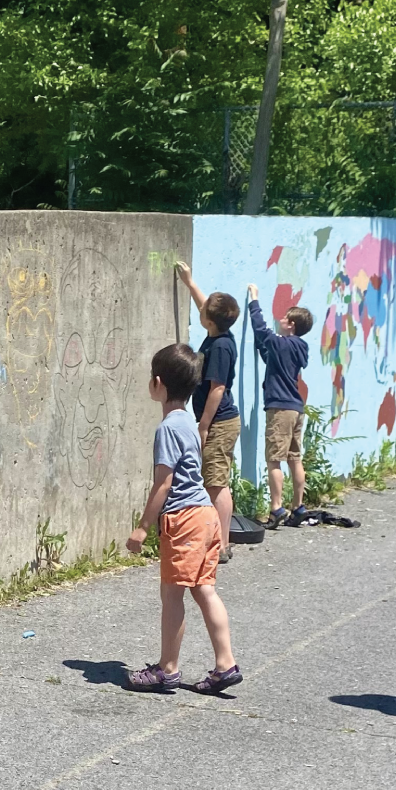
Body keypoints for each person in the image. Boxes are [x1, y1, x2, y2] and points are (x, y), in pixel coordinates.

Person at [125, 343, 242, 695]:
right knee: (204, 590)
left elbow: (164, 482)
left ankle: (167, 669)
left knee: (172, 594)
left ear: (157, 383)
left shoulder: (167, 429)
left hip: (185, 518)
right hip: (205, 514)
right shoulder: (190, 422)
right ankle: (225, 664)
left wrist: (142, 527)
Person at [174, 262, 241, 563]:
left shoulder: (220, 348)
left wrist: (203, 425)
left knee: (216, 482)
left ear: (209, 323)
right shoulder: (218, 333)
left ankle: (222, 544)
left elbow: (216, 388)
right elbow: (206, 307)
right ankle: (218, 540)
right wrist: (190, 283)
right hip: (219, 420)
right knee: (214, 479)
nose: (200, 311)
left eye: (203, 313)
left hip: (220, 421)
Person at [246, 283, 313, 528]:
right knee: (295, 457)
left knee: (274, 459)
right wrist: (265, 350)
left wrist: (254, 300)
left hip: (280, 408)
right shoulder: (299, 347)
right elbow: (275, 359)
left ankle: (276, 508)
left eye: (285, 318)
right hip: (296, 407)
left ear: (291, 325)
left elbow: (261, 329)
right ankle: (298, 507)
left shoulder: (281, 342)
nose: (281, 320)